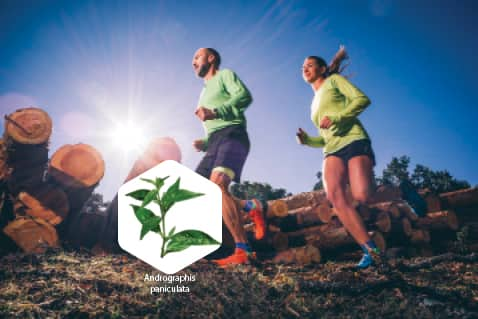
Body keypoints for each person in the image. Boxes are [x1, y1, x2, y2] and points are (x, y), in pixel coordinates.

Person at [296, 46, 381, 269]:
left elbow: (362, 100)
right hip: (332, 149)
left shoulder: (333, 82)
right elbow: (324, 137)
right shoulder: (313, 104)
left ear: (322, 69)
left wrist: (338, 116)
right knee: (336, 196)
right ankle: (371, 250)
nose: (305, 68)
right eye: (303, 66)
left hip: (353, 139)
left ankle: (396, 194)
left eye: (310, 65)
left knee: (362, 196)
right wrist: (308, 141)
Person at [191, 47, 265, 266]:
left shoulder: (225, 75)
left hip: (233, 135)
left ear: (211, 58)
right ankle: (250, 206)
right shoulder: (203, 92)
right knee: (197, 192)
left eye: (197, 57)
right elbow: (213, 127)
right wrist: (204, 143)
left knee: (217, 187)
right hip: (214, 142)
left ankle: (243, 251)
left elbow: (244, 96)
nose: (193, 62)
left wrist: (216, 112)